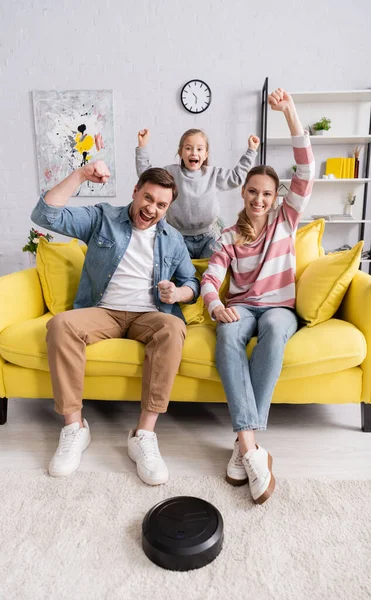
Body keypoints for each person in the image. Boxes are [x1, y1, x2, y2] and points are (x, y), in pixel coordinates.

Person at [31, 163, 200, 484]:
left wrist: (177, 292)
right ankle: (74, 428)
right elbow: (45, 216)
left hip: (149, 315)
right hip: (103, 312)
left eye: (161, 205)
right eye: (147, 198)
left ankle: (144, 435)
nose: (151, 209)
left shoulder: (173, 239)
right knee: (60, 325)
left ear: (167, 208)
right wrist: (80, 175)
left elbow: (191, 283)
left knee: (173, 327)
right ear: (135, 192)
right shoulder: (103, 218)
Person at [201, 88, 315, 504]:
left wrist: (290, 113)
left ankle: (242, 444)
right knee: (228, 335)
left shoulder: (287, 219)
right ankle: (251, 448)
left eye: (267, 194)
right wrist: (215, 305)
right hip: (242, 306)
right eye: (253, 192)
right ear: (243, 193)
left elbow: (307, 166)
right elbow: (211, 278)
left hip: (279, 308)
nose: (259, 200)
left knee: (272, 326)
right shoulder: (228, 235)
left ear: (276, 198)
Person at [135, 127, 260, 259]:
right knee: (182, 273)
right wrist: (142, 147)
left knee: (214, 268)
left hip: (208, 237)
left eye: (199, 149)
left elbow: (236, 177)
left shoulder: (212, 174)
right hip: (178, 237)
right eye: (188, 148)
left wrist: (251, 151)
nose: (194, 153)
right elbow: (147, 176)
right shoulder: (171, 173)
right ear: (180, 152)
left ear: (206, 154)